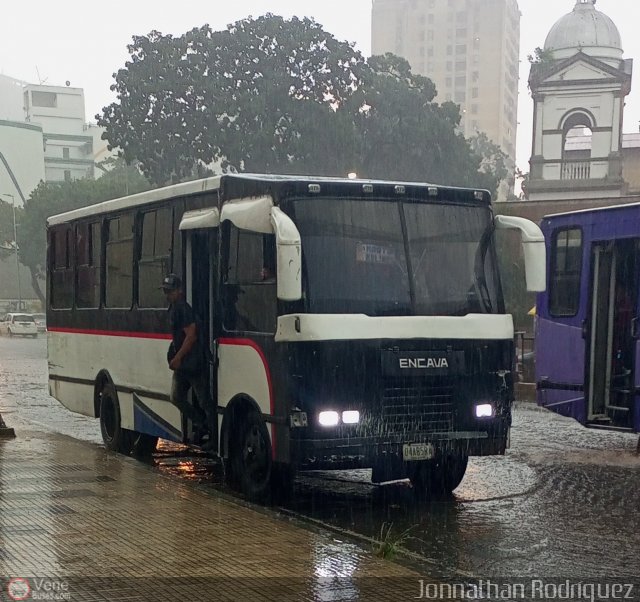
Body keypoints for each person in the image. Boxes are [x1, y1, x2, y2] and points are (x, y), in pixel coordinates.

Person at [161, 274, 215, 450]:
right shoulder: (174, 308)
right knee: (176, 397)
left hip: (193, 363)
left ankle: (212, 433)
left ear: (179, 291)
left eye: (170, 291)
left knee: (205, 399)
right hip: (185, 364)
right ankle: (202, 424)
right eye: (165, 291)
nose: (167, 295)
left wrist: (177, 358)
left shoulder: (183, 309)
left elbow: (191, 336)